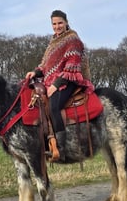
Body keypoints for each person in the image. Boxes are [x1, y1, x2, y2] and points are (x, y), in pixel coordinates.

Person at [25, 10, 94, 161]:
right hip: (53, 80)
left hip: (70, 80)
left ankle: (62, 149)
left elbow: (72, 66)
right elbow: (45, 65)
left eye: (60, 23)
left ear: (66, 22)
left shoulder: (73, 40)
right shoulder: (53, 42)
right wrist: (35, 72)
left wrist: (55, 85)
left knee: (54, 107)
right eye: (54, 24)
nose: (57, 26)